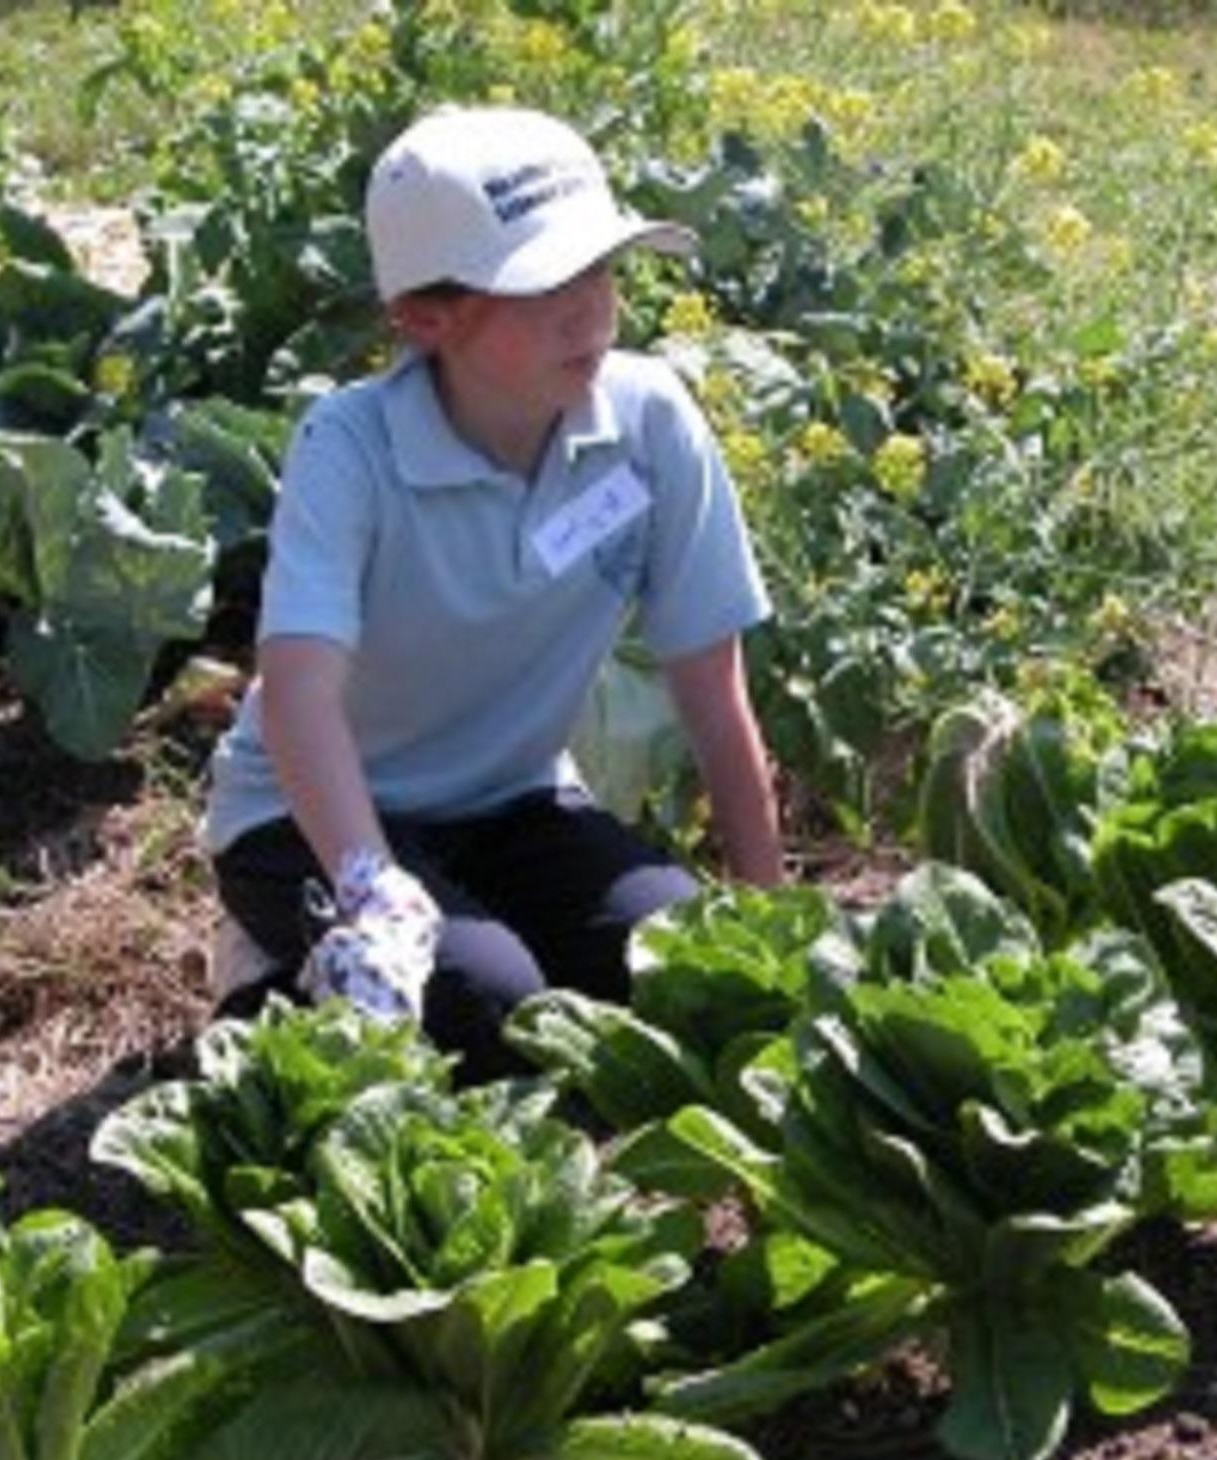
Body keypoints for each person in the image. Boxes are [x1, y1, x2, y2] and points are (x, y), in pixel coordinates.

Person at [201, 104, 784, 1076]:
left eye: (601, 269)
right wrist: (367, 883)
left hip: (514, 794)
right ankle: (269, 967)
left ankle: (452, 928)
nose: (588, 309)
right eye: (542, 284)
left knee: (675, 973)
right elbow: (298, 694)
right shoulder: (348, 447)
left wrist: (776, 927)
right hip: (313, 814)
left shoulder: (650, 424)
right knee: (489, 1015)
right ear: (425, 318)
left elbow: (714, 694)